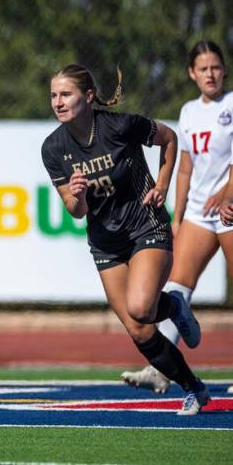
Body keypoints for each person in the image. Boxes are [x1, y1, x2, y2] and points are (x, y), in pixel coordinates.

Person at [41, 64, 210, 415]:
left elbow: (169, 139)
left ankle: (174, 306)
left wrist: (162, 184)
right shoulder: (53, 148)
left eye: (66, 94)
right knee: (139, 330)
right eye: (54, 95)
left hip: (145, 225)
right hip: (105, 241)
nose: (58, 101)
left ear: (88, 97)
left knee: (140, 308)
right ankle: (193, 387)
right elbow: (75, 211)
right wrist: (78, 196)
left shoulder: (119, 125)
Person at [121, 41, 233, 395]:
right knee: (176, 290)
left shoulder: (231, 104)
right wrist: (178, 215)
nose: (210, 74)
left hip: (229, 208)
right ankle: (160, 369)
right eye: (203, 69)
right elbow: (184, 167)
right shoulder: (188, 111)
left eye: (215, 67)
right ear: (191, 73)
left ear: (223, 70)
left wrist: (228, 193)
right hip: (200, 212)